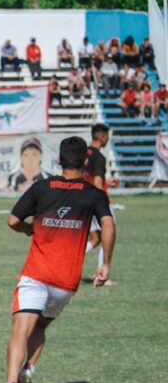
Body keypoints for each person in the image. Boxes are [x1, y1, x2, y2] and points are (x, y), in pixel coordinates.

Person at [0, 136, 114, 383]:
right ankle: (29, 368)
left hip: (36, 274)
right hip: (66, 282)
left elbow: (13, 220)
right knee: (39, 328)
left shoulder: (42, 187)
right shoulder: (93, 194)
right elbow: (107, 224)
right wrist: (105, 263)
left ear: (59, 160)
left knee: (20, 331)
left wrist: (27, 230)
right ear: (85, 161)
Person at [82, 123, 115, 286]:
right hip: (98, 202)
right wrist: (98, 203)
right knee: (108, 235)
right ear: (102, 136)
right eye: (107, 135)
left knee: (95, 239)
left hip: (84, 199)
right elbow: (97, 182)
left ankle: (69, 259)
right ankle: (103, 274)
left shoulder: (84, 154)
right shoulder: (99, 157)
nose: (108, 138)